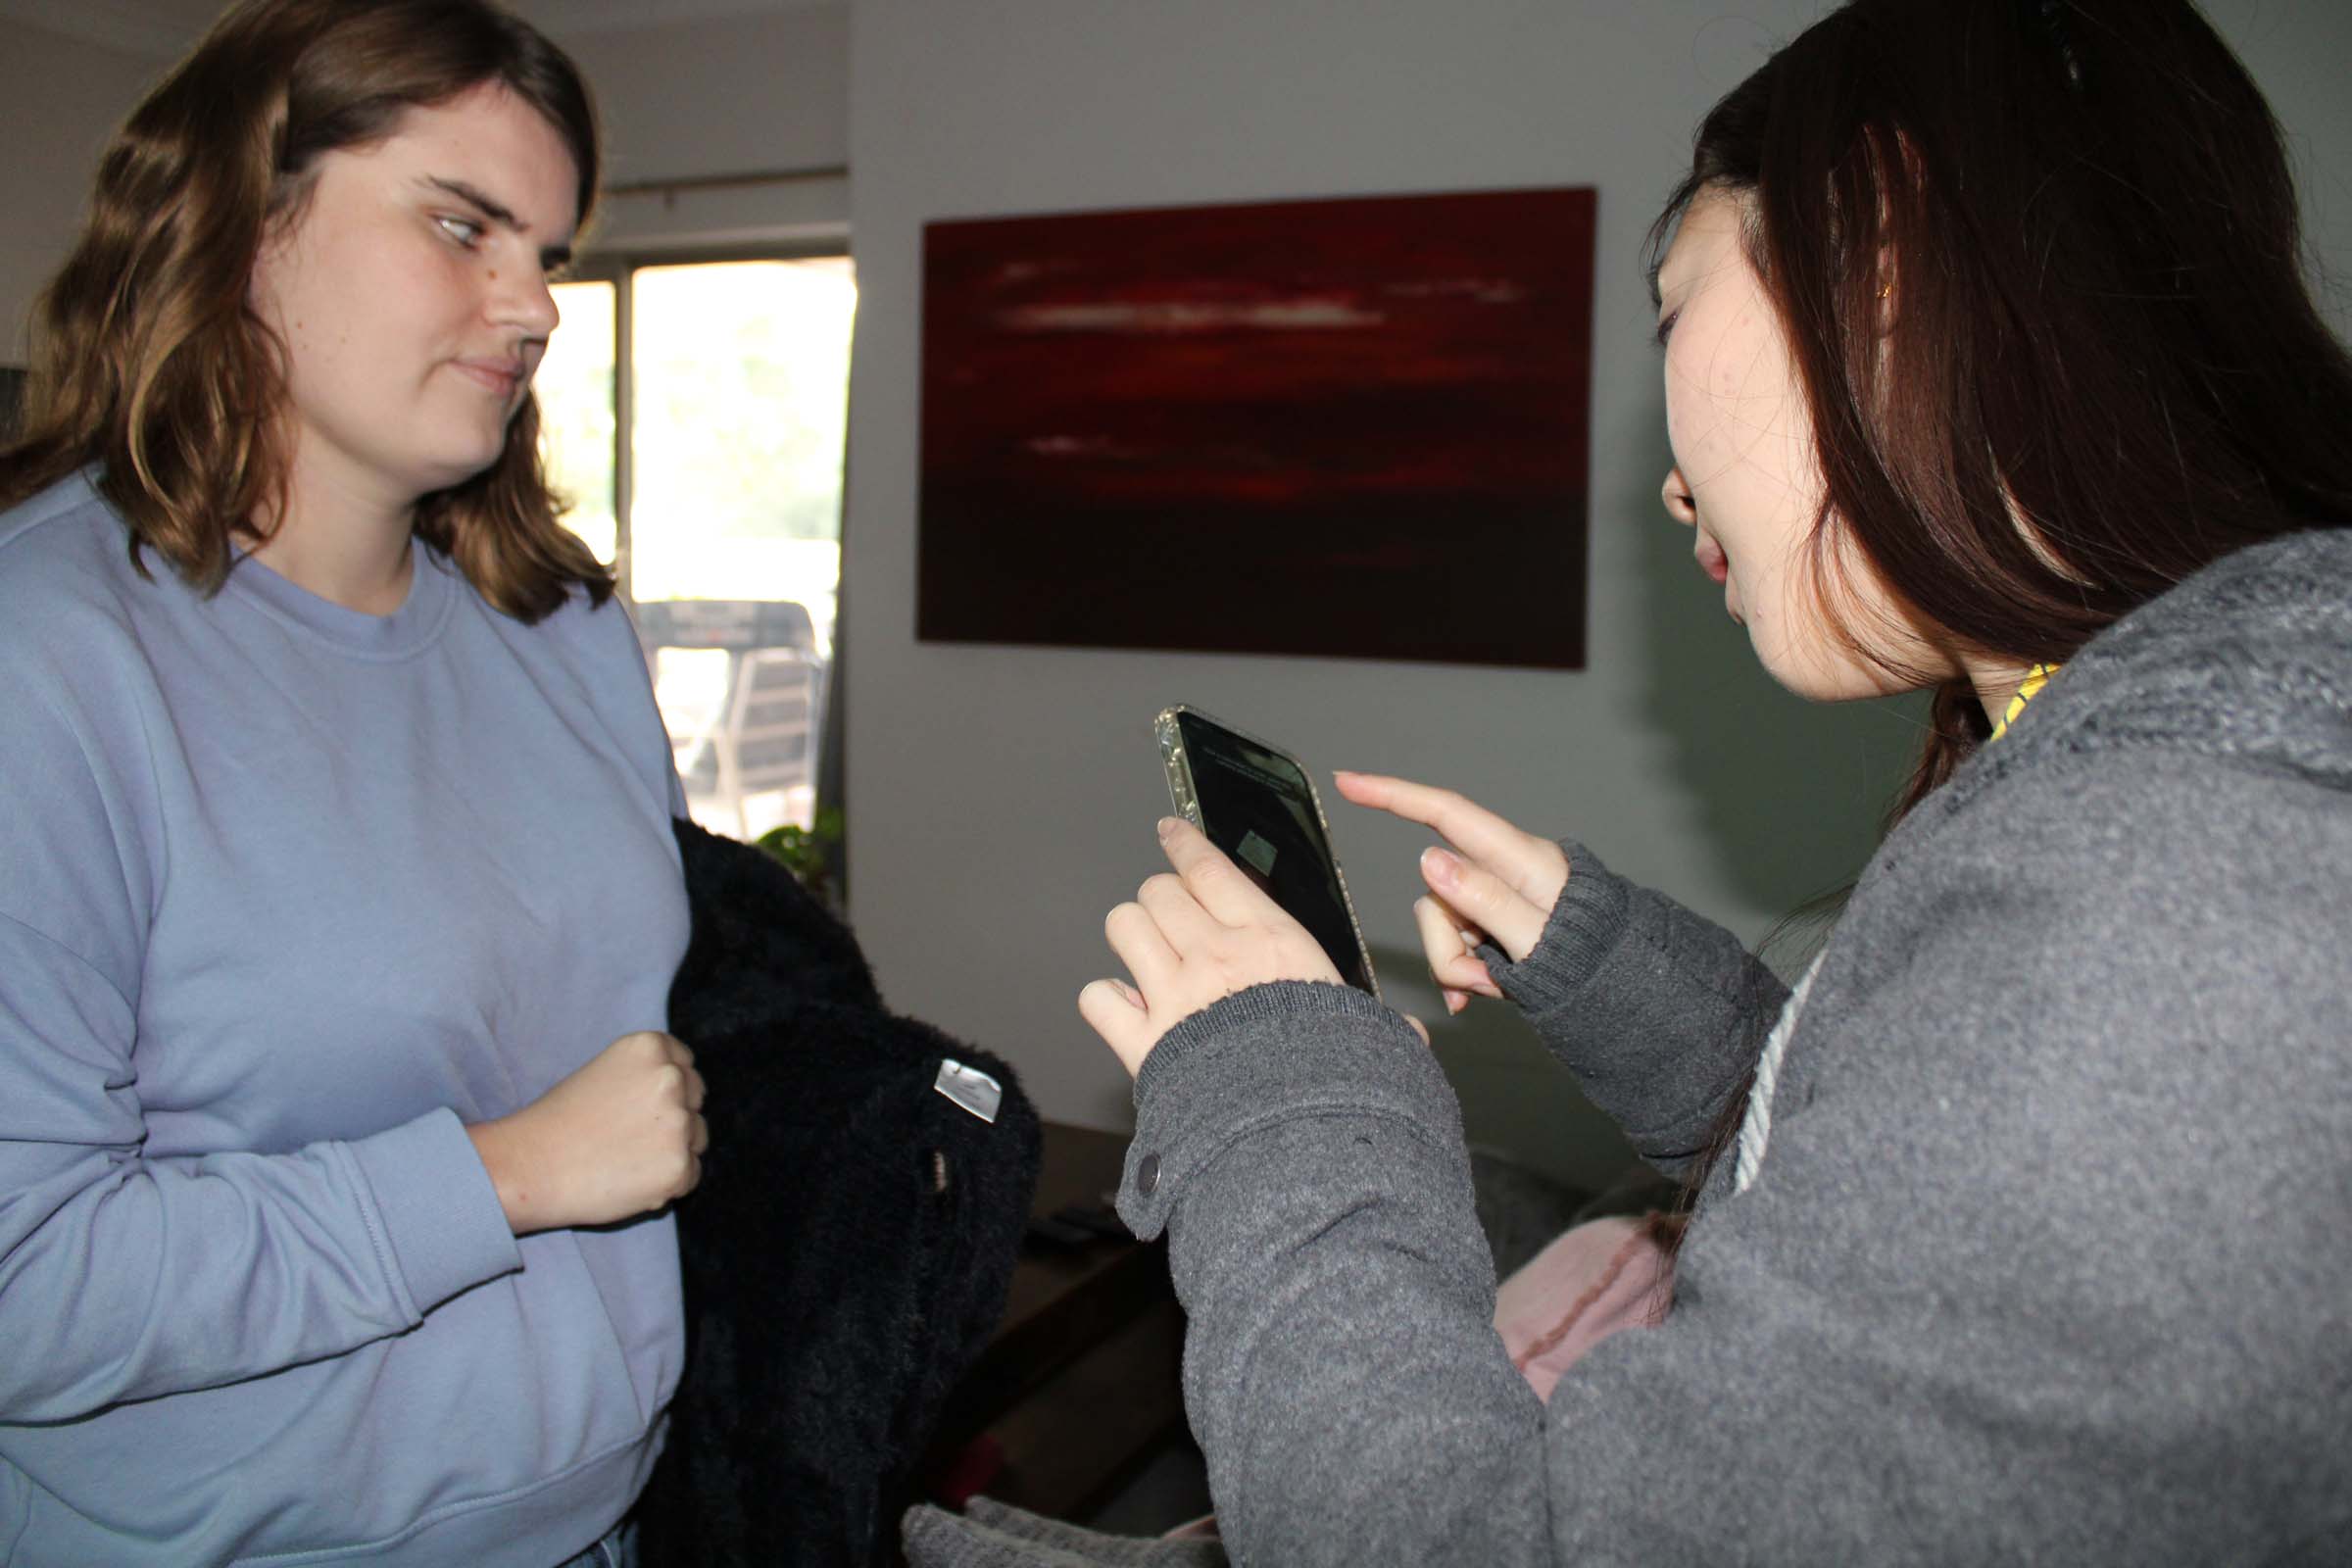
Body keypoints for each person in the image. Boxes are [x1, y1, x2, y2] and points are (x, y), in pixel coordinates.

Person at [902, 0, 2352, 1562]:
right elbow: (1903, 1190)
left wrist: (1288, 1092)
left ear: (1885, 255)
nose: (1666, 478)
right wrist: (1613, 967)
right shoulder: (2145, 795)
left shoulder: (2183, 900)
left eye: (1673, 311)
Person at [0, 3, 708, 1563]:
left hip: (602, 1524)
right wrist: (501, 1180)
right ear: (243, 222)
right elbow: (21, 1282)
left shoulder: (567, 635)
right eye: (463, 227)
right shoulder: (42, 664)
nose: (530, 310)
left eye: (550, 258)